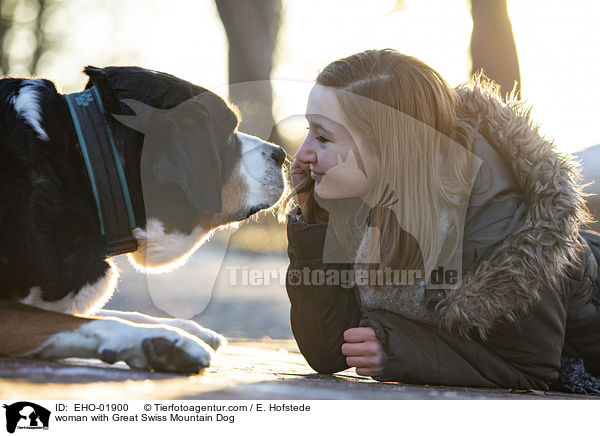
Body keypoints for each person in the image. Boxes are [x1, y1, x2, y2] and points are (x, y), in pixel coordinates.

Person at [284, 49, 600, 392]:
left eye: (324, 137)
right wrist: (313, 221)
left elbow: (531, 370)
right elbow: (330, 350)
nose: (301, 155)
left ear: (389, 147)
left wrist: (398, 348)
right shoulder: (363, 200)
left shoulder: (503, 227)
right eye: (308, 130)